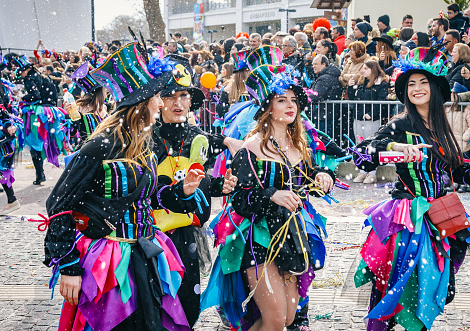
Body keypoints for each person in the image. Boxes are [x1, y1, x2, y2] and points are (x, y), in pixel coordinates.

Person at [43, 41, 198, 330]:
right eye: (158, 97)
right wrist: (67, 266)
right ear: (142, 102)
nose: (162, 103)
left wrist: (180, 192)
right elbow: (59, 204)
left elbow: (146, 197)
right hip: (109, 260)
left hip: (143, 253)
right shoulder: (100, 146)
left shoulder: (142, 143)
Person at [353, 44, 470, 331]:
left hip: (440, 217)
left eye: (423, 82)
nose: (417, 88)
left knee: (427, 285)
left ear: (434, 88)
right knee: (396, 284)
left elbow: (456, 166)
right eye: (411, 84)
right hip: (408, 218)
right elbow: (363, 154)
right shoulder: (400, 124)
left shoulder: (440, 126)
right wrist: (394, 146)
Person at [201, 60, 335, 331]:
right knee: (274, 319)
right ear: (268, 107)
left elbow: (310, 180)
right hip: (258, 239)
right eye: (282, 100)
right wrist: (272, 195)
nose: (290, 106)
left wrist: (324, 178)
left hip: (293, 237)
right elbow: (239, 199)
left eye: (294, 100)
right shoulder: (252, 147)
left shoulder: (300, 146)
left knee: (285, 319)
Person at [152, 54, 239, 328]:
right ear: (158, 100)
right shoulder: (148, 137)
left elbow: (199, 182)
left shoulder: (196, 136)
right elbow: (150, 189)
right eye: (170, 96)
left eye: (183, 96)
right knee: (157, 302)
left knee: (188, 306)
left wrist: (218, 185)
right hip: (153, 236)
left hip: (188, 233)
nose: (178, 103)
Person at [10, 55, 69, 185]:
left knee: (34, 142)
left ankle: (40, 174)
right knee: (44, 141)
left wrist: (22, 98)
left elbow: (35, 96)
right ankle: (41, 172)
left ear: (24, 70)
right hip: (50, 112)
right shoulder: (42, 76)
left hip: (38, 114)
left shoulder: (30, 79)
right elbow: (50, 95)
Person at [347, 60, 389, 184]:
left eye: (365, 68)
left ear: (373, 69)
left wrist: (372, 113)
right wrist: (350, 87)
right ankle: (362, 171)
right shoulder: (361, 82)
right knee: (360, 144)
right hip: (359, 117)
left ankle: (372, 172)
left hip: (372, 119)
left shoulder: (381, 83)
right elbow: (354, 97)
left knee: (371, 145)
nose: (362, 71)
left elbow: (382, 101)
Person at [0, 62, 22, 215]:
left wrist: (7, 124)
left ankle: (12, 200)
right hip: (2, 130)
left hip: (0, 131)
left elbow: (2, 110)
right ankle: (12, 199)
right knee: (1, 167)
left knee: (0, 167)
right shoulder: (1, 89)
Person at [446, 83, 470, 193]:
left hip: (462, 141)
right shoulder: (447, 108)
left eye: (453, 93)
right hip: (450, 140)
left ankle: (464, 182)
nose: (451, 95)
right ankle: (454, 182)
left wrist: (465, 137)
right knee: (451, 163)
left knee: (464, 163)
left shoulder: (467, 109)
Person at [65, 62, 108, 148]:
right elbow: (71, 133)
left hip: (104, 151)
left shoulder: (105, 107)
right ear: (99, 92)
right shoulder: (79, 109)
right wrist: (69, 116)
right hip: (86, 152)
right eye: (104, 88)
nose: (107, 90)